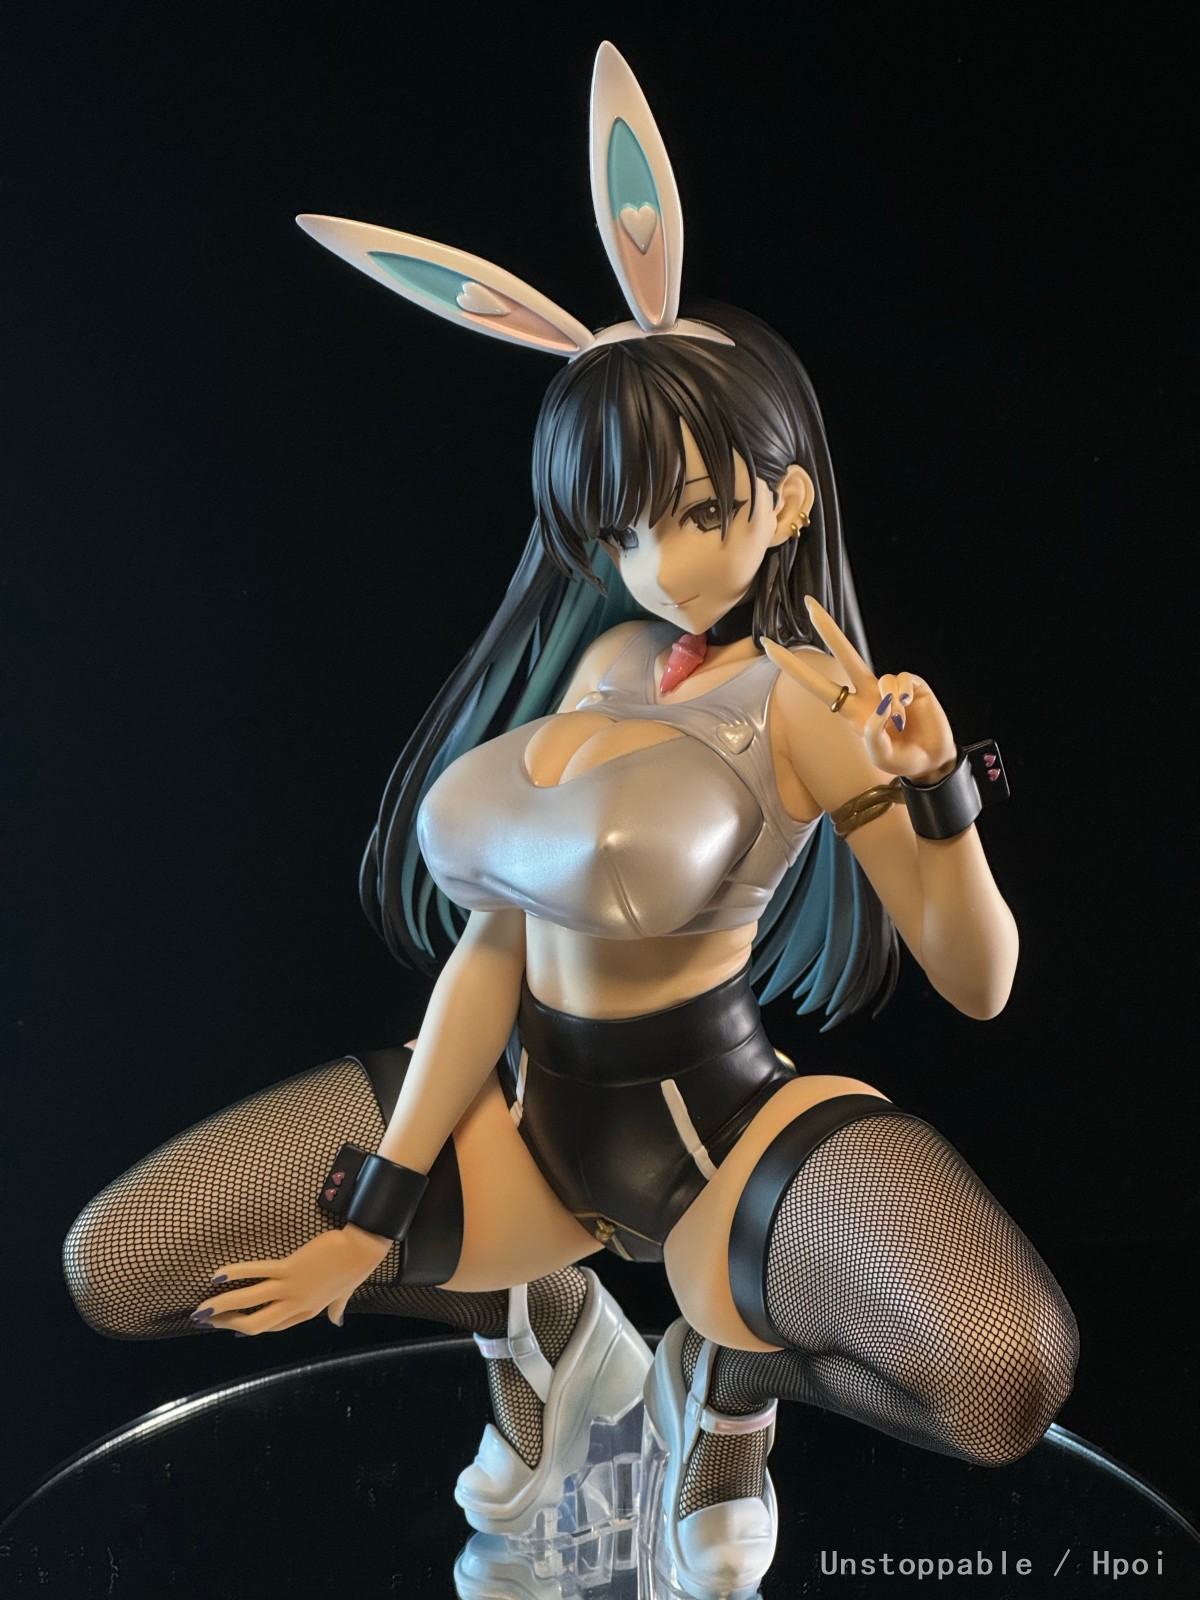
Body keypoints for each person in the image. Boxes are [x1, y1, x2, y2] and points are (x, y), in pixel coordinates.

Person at [63, 43, 1078, 1600]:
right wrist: (378, 1209)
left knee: (1007, 1379)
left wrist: (937, 791)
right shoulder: (603, 664)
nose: (659, 560)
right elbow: (492, 951)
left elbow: (980, 979)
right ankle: (542, 1328)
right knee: (121, 1264)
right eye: (621, 525)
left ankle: (719, 1384)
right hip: (523, 1128)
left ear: (788, 501)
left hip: (723, 1143)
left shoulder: (815, 704)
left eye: (699, 511)